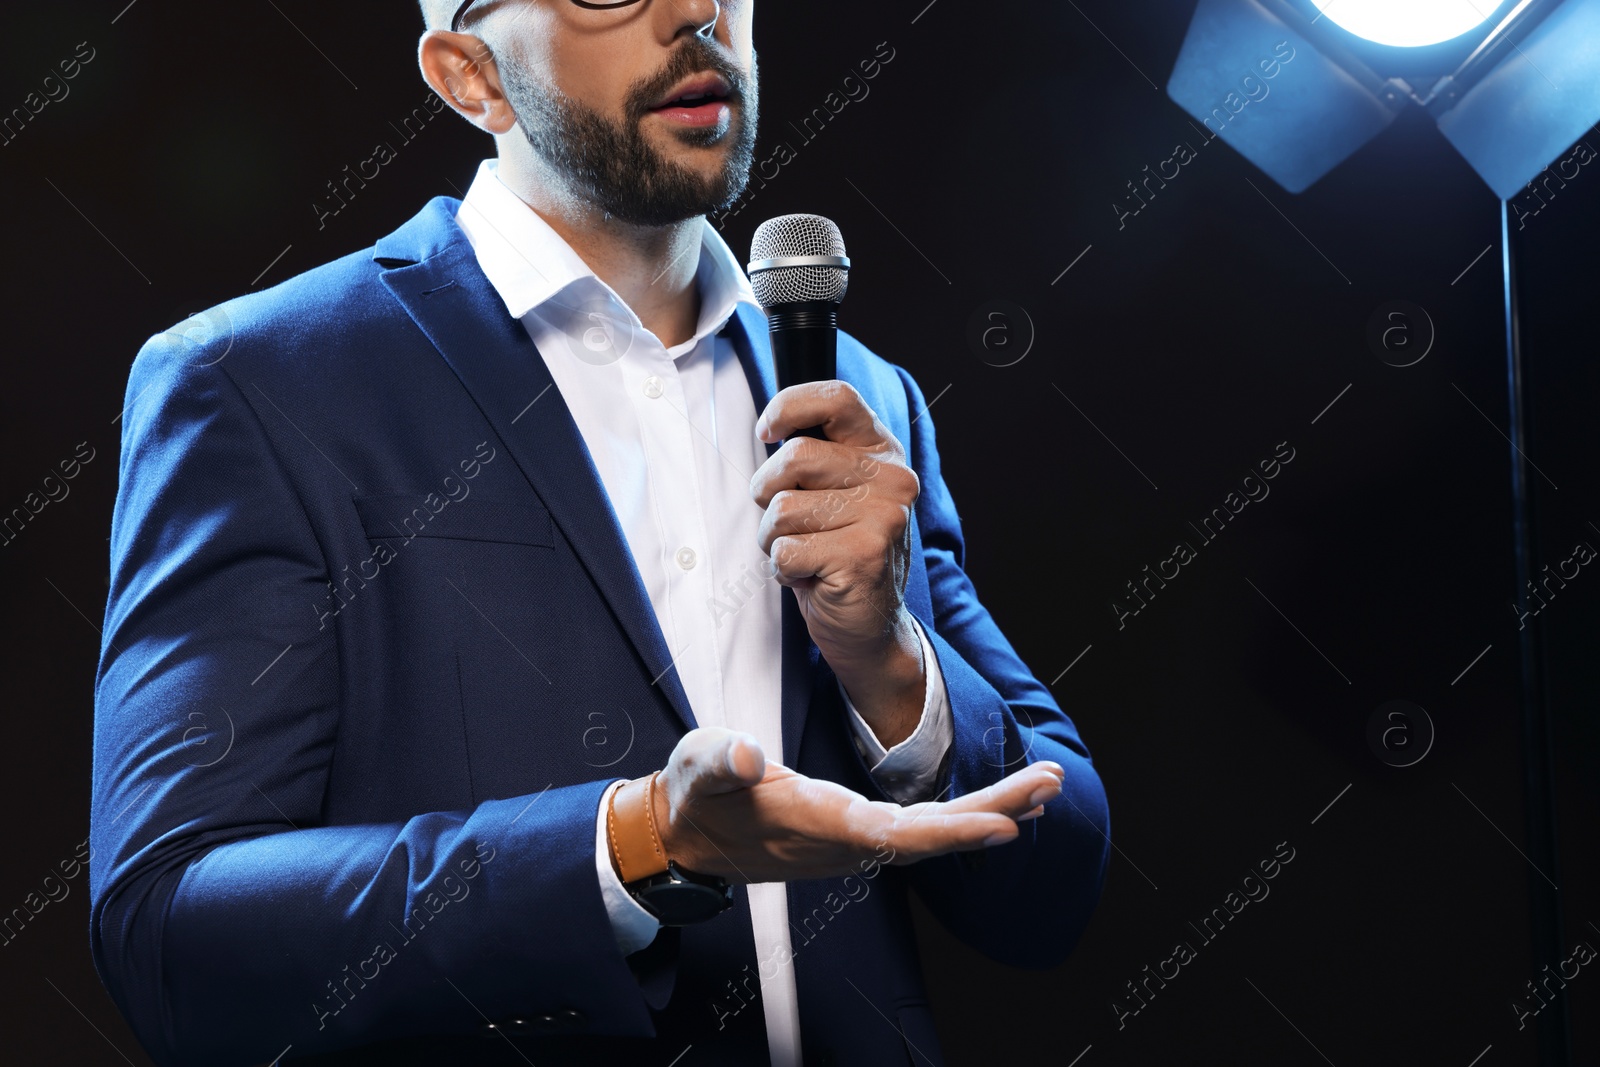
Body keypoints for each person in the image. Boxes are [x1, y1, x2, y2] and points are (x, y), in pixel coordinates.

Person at [88, 1, 1111, 1063]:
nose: (695, 11)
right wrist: (640, 843)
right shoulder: (258, 384)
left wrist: (888, 664)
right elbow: (171, 933)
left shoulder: (865, 397)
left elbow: (1052, 892)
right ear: (468, 74)